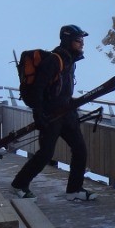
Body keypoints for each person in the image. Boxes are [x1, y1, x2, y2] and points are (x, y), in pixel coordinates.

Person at [10, 24, 96, 201]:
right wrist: (38, 113)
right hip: (51, 114)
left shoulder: (70, 61)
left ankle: (74, 189)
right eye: (78, 40)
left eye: (82, 40)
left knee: (80, 150)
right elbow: (39, 88)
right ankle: (19, 184)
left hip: (67, 112)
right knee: (46, 153)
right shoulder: (54, 60)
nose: (82, 44)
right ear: (67, 40)